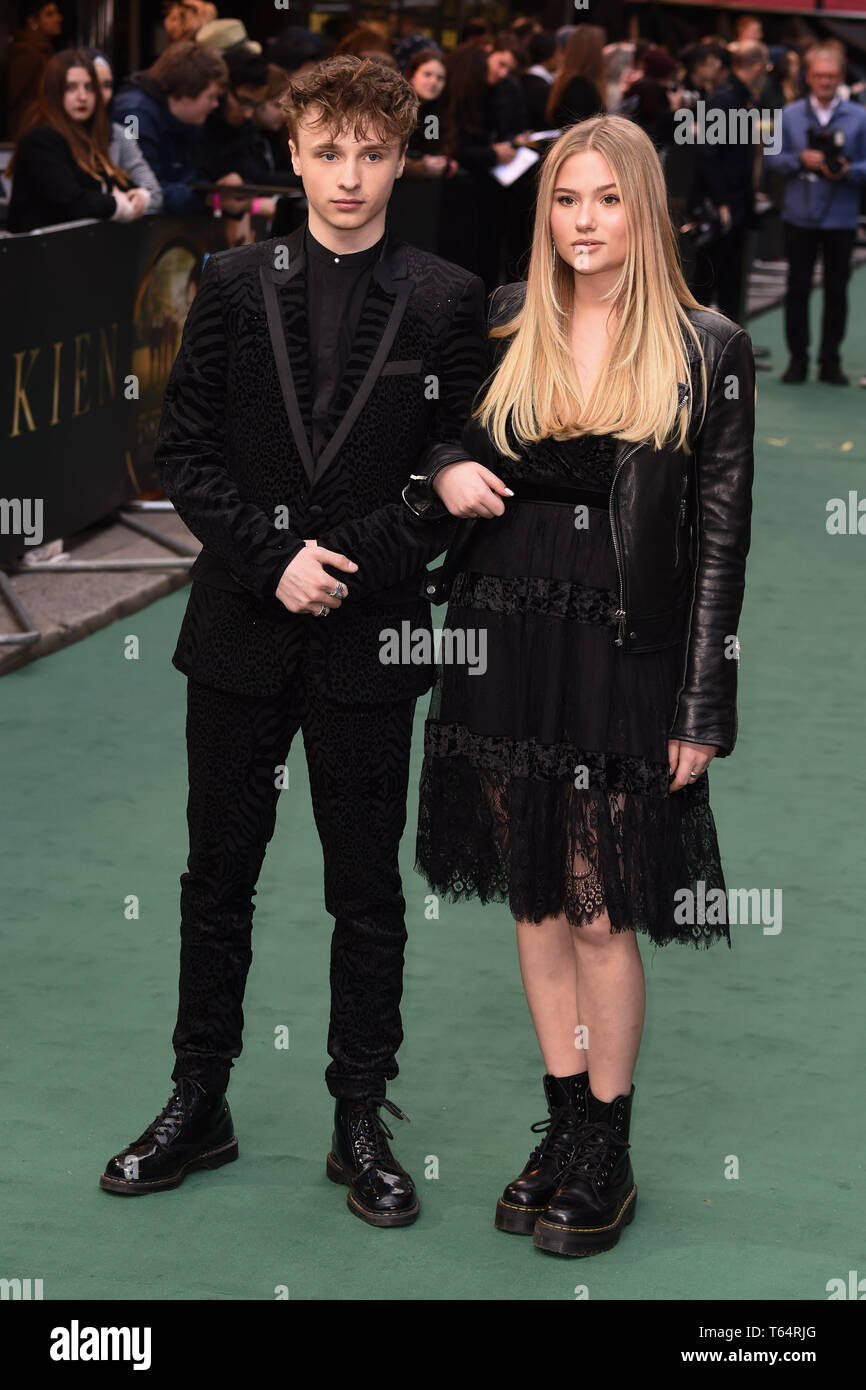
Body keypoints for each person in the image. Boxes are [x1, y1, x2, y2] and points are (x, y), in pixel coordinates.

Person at [98, 55, 488, 1230]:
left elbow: (455, 466)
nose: (351, 176)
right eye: (329, 151)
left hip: (372, 635)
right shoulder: (225, 280)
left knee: (365, 891)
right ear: (295, 151)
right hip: (236, 631)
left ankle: (358, 1117)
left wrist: (347, 558)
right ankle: (197, 1099)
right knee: (216, 880)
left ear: (402, 155)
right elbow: (186, 454)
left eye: (374, 152)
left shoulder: (445, 296)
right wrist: (273, 558)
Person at [408, 113, 755, 1257]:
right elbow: (431, 433)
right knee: (533, 893)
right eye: (565, 199)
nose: (583, 222)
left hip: (621, 647)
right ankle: (560, 1121)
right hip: (500, 630)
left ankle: (606, 1140)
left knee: (599, 898)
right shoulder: (502, 316)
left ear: (642, 208)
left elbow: (717, 543)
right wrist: (451, 462)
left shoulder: (705, 345)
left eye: (606, 199)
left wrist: (700, 705)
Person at [763, 46, 866, 385]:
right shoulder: (790, 115)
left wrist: (849, 170)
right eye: (819, 75)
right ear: (808, 77)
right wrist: (799, 160)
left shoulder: (859, 116)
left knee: (837, 289)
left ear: (840, 78)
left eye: (831, 76)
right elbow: (772, 160)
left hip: (842, 215)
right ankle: (797, 360)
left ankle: (830, 361)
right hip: (800, 214)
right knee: (798, 288)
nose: (825, 81)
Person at [6, 48, 148, 233]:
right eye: (71, 87)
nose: (82, 97)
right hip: (36, 253)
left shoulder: (86, 133)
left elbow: (106, 181)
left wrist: (137, 195)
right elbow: (71, 201)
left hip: (71, 250)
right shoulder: (41, 138)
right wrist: (117, 206)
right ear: (55, 91)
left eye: (89, 87)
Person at [111, 39, 227, 216]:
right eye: (211, 97)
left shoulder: (188, 119)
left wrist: (219, 189)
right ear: (187, 92)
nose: (215, 105)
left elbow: (189, 175)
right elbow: (143, 188)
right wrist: (210, 199)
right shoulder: (135, 115)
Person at [86, 47, 164, 213]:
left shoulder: (121, 130)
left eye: (107, 85)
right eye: (91, 85)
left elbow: (153, 191)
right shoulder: (133, 113)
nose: (100, 94)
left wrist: (140, 199)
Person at [8, 0, 64, 140]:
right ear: (33, 21)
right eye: (49, 14)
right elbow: (13, 98)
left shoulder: (45, 51)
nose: (58, 18)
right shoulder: (27, 54)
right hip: (29, 132)